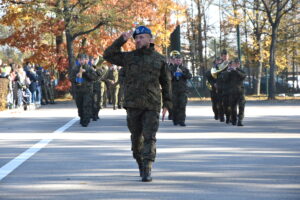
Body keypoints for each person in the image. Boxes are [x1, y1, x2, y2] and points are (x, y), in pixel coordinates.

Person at [103, 25, 172, 182]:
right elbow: (108, 55)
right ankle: (140, 162)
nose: (138, 40)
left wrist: (167, 102)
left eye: (141, 37)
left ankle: (147, 167)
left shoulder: (159, 59)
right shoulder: (129, 57)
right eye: (136, 38)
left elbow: (166, 82)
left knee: (150, 137)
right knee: (136, 139)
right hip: (133, 104)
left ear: (150, 39)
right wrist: (121, 40)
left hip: (152, 104)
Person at [71, 53, 100, 127]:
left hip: (87, 90)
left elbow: (94, 77)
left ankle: (86, 121)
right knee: (80, 106)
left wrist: (86, 72)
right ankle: (82, 117)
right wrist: (76, 76)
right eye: (80, 59)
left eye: (83, 59)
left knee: (86, 105)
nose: (82, 61)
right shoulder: (75, 68)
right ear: (79, 60)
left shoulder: (89, 68)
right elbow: (70, 78)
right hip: (78, 90)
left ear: (85, 60)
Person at [168, 50, 192, 126]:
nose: (178, 61)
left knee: (182, 105)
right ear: (174, 60)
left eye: (179, 60)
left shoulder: (184, 68)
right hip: (173, 90)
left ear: (181, 60)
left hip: (182, 90)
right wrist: (174, 74)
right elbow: (167, 78)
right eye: (177, 60)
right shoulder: (170, 68)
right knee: (175, 105)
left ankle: (182, 121)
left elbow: (189, 76)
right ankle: (175, 120)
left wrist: (182, 73)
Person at [227, 58, 246, 126]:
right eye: (235, 63)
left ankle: (240, 119)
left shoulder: (241, 71)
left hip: (240, 91)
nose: (237, 64)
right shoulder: (229, 72)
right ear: (233, 64)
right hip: (232, 91)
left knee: (241, 106)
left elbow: (243, 76)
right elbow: (225, 79)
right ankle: (234, 120)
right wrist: (228, 71)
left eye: (238, 63)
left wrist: (236, 70)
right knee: (233, 107)